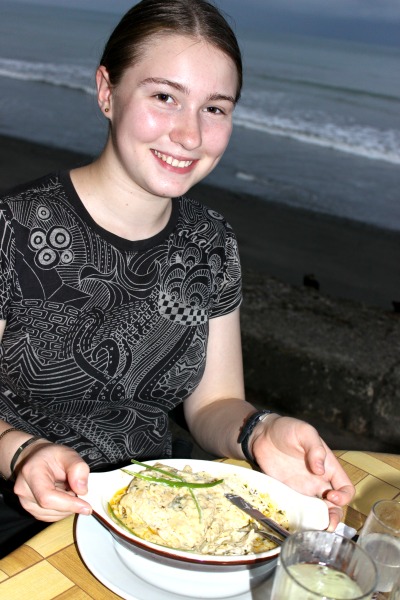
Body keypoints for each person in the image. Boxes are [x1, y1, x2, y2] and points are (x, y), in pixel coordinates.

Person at [0, 0, 354, 554]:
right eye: (165, 97)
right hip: (23, 514)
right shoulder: (13, 230)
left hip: (159, 506)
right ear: (107, 91)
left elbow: (213, 405)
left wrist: (259, 430)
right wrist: (19, 451)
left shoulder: (211, 243)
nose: (190, 135)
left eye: (215, 108)